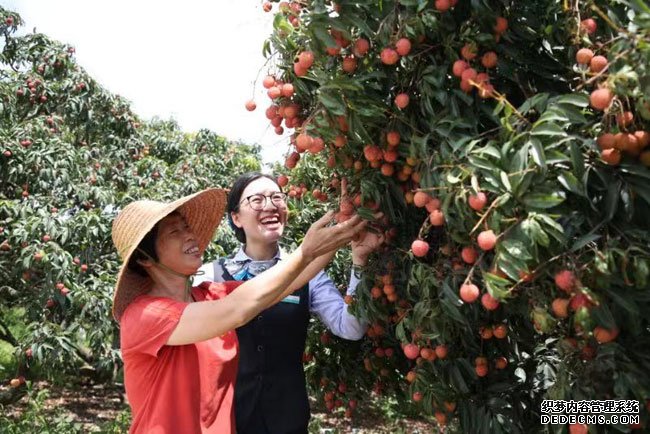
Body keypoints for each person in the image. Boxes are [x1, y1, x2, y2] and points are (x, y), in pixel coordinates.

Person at [110, 187, 366, 433]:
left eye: (187, 227)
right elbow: (237, 310)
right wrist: (305, 251)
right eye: (174, 232)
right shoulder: (144, 315)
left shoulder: (210, 294)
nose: (190, 235)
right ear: (145, 258)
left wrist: (347, 228)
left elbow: (289, 282)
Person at [195, 173, 384, 434]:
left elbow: (350, 327)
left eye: (276, 197)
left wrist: (359, 262)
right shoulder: (209, 275)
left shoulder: (311, 275)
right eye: (257, 199)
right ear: (236, 217)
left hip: (287, 420)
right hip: (225, 422)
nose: (271, 205)